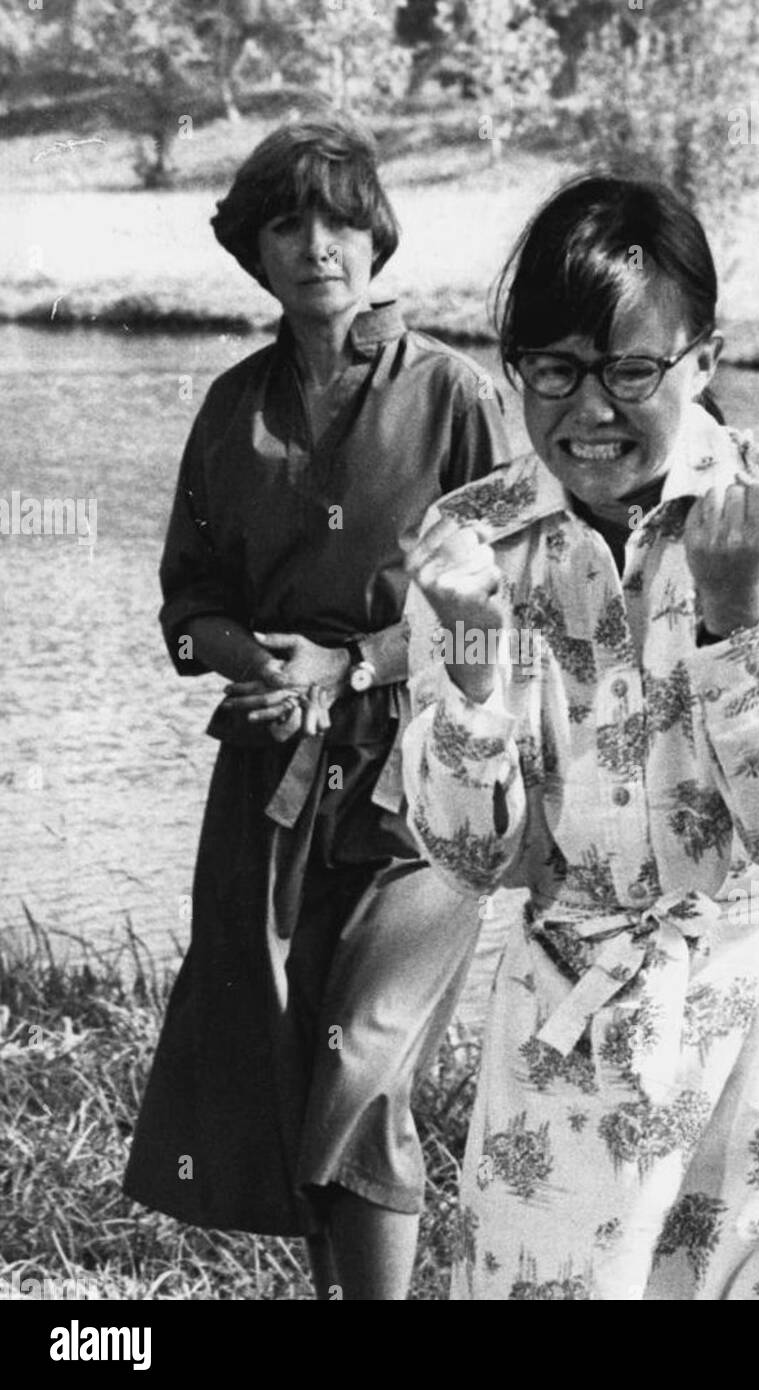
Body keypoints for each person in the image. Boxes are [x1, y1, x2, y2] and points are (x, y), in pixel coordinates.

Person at [401, 174, 759, 1300]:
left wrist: (732, 618)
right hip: (570, 1050)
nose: (591, 412)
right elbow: (471, 861)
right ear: (512, 364)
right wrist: (475, 666)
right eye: (555, 371)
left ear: (703, 361)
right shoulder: (468, 545)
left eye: (632, 370)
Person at [122, 113, 509, 1301]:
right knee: (294, 1073)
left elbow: (517, 607)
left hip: (423, 788)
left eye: (339, 216)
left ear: (376, 229)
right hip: (268, 779)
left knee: (368, 1071)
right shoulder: (231, 406)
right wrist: (257, 658)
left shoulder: (454, 395)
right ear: (253, 247)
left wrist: (350, 666)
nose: (316, 244)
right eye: (286, 221)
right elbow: (185, 607)